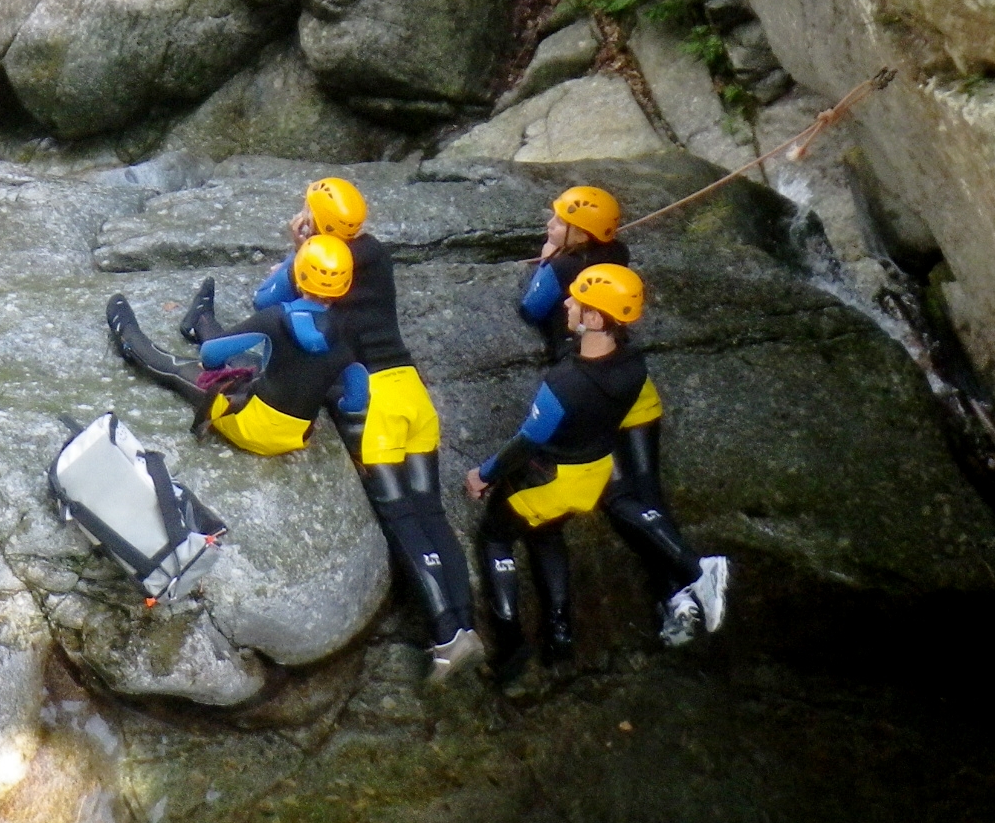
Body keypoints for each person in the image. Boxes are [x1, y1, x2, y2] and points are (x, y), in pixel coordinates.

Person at [202, 178, 479, 679]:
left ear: (316, 221)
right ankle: (468, 624)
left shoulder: (320, 265)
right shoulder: (377, 254)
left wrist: (300, 248)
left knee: (402, 520)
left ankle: (445, 634)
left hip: (376, 404)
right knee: (431, 513)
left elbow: (267, 297)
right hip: (410, 389)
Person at [464, 264, 730, 682]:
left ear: (593, 319)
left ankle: (512, 643)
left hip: (549, 478)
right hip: (593, 475)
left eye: (577, 301)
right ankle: (560, 633)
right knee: (545, 531)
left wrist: (485, 473)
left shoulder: (565, 383)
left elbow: (527, 441)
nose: (567, 304)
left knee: (495, 538)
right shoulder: (633, 366)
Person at [105, 235, 362, 456]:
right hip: (296, 436)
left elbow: (211, 354)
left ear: (296, 274)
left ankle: (129, 338)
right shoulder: (348, 332)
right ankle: (202, 321)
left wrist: (216, 371)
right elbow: (357, 396)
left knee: (178, 369)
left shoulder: (277, 318)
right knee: (253, 363)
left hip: (249, 425)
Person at [519, 184, 626, 359]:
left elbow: (530, 311)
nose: (549, 224)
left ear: (582, 236)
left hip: (571, 347)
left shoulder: (561, 267)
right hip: (610, 339)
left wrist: (546, 262)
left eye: (560, 222)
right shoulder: (620, 251)